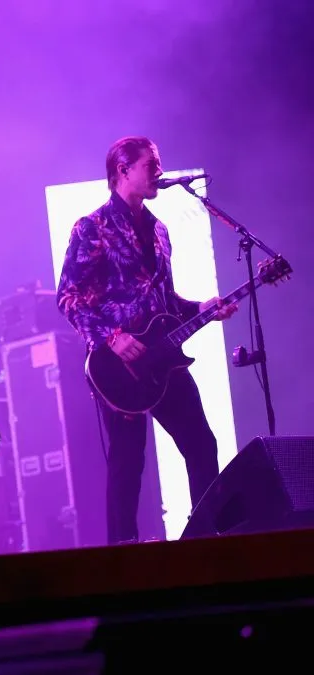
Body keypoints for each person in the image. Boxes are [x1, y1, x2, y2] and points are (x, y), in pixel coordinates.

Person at [56, 136, 238, 545]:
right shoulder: (92, 227)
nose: (159, 171)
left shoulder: (159, 230)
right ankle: (124, 553)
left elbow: (163, 302)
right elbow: (68, 296)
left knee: (201, 443)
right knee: (127, 461)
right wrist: (110, 338)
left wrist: (204, 308)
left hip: (164, 360)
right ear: (123, 170)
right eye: (150, 164)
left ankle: (207, 539)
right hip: (117, 365)